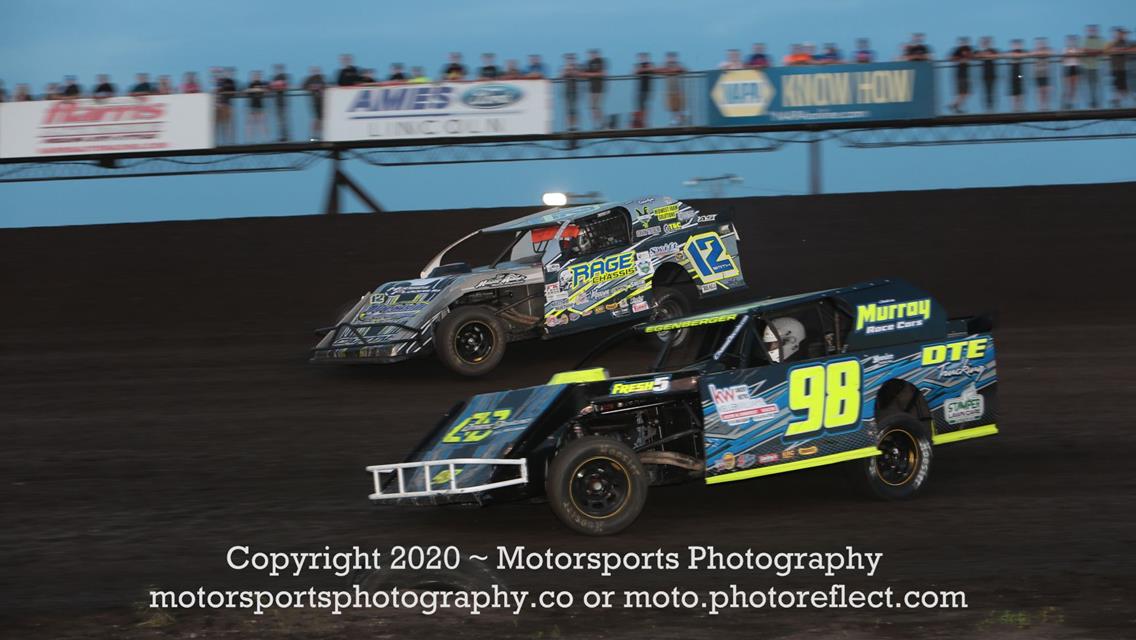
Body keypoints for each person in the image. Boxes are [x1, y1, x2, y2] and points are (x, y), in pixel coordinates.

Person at [658, 51, 687, 126]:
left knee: (678, 106)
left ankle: (679, 119)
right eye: (669, 58)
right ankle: (674, 121)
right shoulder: (665, 66)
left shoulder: (678, 65)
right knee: (672, 107)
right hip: (669, 89)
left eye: (672, 57)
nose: (670, 59)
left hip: (678, 89)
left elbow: (684, 70)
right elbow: (658, 70)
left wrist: (674, 70)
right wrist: (668, 70)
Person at [1082, 25, 1106, 108]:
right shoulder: (1084, 40)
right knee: (1088, 86)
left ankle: (1097, 103)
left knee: (1097, 85)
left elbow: (1103, 50)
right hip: (1087, 67)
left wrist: (1090, 52)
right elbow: (1083, 50)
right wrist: (1095, 52)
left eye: (1093, 30)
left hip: (1098, 67)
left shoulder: (1101, 40)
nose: (1092, 31)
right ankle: (1090, 103)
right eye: (1090, 30)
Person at [949, 37, 974, 113]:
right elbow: (950, 58)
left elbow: (973, 57)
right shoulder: (957, 50)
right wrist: (960, 60)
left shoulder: (969, 49)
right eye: (963, 42)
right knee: (962, 92)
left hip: (967, 73)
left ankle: (955, 106)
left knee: (966, 93)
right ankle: (954, 105)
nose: (964, 43)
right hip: (960, 73)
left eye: (965, 42)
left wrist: (968, 58)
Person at [1107, 27, 1130, 107]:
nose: (1121, 35)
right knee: (1118, 86)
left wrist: (1120, 50)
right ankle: (1117, 100)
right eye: (1120, 34)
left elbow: (1126, 49)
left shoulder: (1124, 42)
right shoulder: (1114, 42)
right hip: (1116, 68)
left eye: (1122, 34)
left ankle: (1117, 100)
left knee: (1123, 86)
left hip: (1122, 68)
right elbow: (1108, 50)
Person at [213, 68, 238, 144]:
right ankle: (218, 141)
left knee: (228, 124)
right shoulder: (219, 82)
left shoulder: (231, 82)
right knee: (219, 125)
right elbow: (216, 92)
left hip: (227, 105)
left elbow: (234, 92)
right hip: (218, 107)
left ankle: (229, 141)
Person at [301, 66, 325, 141]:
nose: (316, 72)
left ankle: (320, 135)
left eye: (317, 70)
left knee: (321, 119)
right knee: (316, 119)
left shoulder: (321, 78)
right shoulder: (309, 79)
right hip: (314, 101)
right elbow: (303, 86)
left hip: (322, 101)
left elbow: (325, 86)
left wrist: (321, 88)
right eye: (314, 70)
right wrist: (312, 87)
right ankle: (313, 136)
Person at [584, 49, 606, 129]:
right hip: (591, 89)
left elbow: (603, 73)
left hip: (599, 88)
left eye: (593, 54)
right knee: (592, 107)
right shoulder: (588, 63)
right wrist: (590, 74)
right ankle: (595, 125)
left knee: (597, 107)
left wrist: (591, 74)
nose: (591, 55)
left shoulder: (601, 61)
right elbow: (583, 74)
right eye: (590, 54)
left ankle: (602, 123)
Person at [975, 37, 999, 111]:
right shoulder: (979, 51)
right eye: (984, 42)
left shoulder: (994, 50)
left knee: (992, 91)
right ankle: (987, 108)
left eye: (987, 42)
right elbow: (975, 56)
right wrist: (985, 54)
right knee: (985, 92)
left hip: (992, 73)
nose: (986, 44)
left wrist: (986, 55)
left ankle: (992, 108)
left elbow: (997, 56)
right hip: (984, 74)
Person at [632, 52, 654, 128]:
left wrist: (642, 69)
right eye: (641, 57)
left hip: (647, 88)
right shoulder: (638, 65)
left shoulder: (650, 64)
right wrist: (642, 69)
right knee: (639, 105)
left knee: (645, 105)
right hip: (639, 89)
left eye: (643, 57)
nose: (642, 59)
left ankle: (644, 121)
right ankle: (640, 121)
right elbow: (635, 71)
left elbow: (652, 69)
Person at [561, 53, 581, 131]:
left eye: (571, 59)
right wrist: (567, 70)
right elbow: (561, 75)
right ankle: (569, 126)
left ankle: (575, 125)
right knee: (568, 109)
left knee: (574, 109)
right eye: (568, 59)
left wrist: (571, 71)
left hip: (575, 90)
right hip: (567, 90)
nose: (570, 60)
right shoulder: (564, 67)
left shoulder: (577, 67)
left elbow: (577, 74)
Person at [1062, 35, 1082, 110]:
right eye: (1070, 40)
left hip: (1075, 67)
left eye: (1073, 40)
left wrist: (1072, 54)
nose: (1071, 42)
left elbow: (1079, 57)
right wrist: (1069, 54)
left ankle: (1072, 102)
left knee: (1073, 87)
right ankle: (1066, 102)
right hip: (1067, 67)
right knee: (1067, 86)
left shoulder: (1077, 49)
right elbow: (1064, 59)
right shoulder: (1065, 49)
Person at [270, 64, 290, 141]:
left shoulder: (284, 77)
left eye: (279, 69)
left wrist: (277, 86)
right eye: (277, 69)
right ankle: (281, 136)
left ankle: (285, 136)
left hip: (283, 101)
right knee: (279, 120)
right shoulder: (274, 78)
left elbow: (284, 86)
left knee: (284, 119)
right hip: (277, 101)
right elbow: (272, 87)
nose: (278, 71)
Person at [1007, 39, 1028, 111]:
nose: (1016, 46)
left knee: (1020, 89)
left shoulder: (1023, 52)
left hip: (1020, 74)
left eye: (1018, 44)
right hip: (1012, 74)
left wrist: (1018, 55)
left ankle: (1021, 106)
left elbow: (1027, 54)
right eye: (1015, 44)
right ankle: (1014, 107)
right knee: (1013, 90)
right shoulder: (1010, 53)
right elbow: (1008, 55)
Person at [1033, 37, 1053, 110]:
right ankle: (1041, 106)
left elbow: (1051, 52)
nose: (1041, 45)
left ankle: (1046, 105)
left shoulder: (1048, 50)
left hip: (1046, 72)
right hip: (1038, 73)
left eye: (1042, 43)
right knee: (1040, 90)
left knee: (1047, 90)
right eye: (1039, 43)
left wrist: (1042, 52)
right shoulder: (1035, 51)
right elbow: (1034, 53)